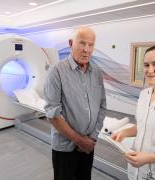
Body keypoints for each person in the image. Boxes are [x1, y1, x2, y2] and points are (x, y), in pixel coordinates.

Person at [43, 26, 106, 180]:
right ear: (71, 43)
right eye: (82, 43)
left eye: (90, 45)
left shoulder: (96, 72)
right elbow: (53, 115)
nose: (86, 49)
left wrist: (92, 138)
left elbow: (102, 106)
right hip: (65, 148)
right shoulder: (56, 71)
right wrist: (80, 141)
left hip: (88, 146)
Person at [112, 45, 155, 180]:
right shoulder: (144, 95)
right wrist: (124, 132)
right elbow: (143, 125)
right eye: (146, 65)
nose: (150, 70)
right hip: (136, 171)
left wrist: (149, 158)